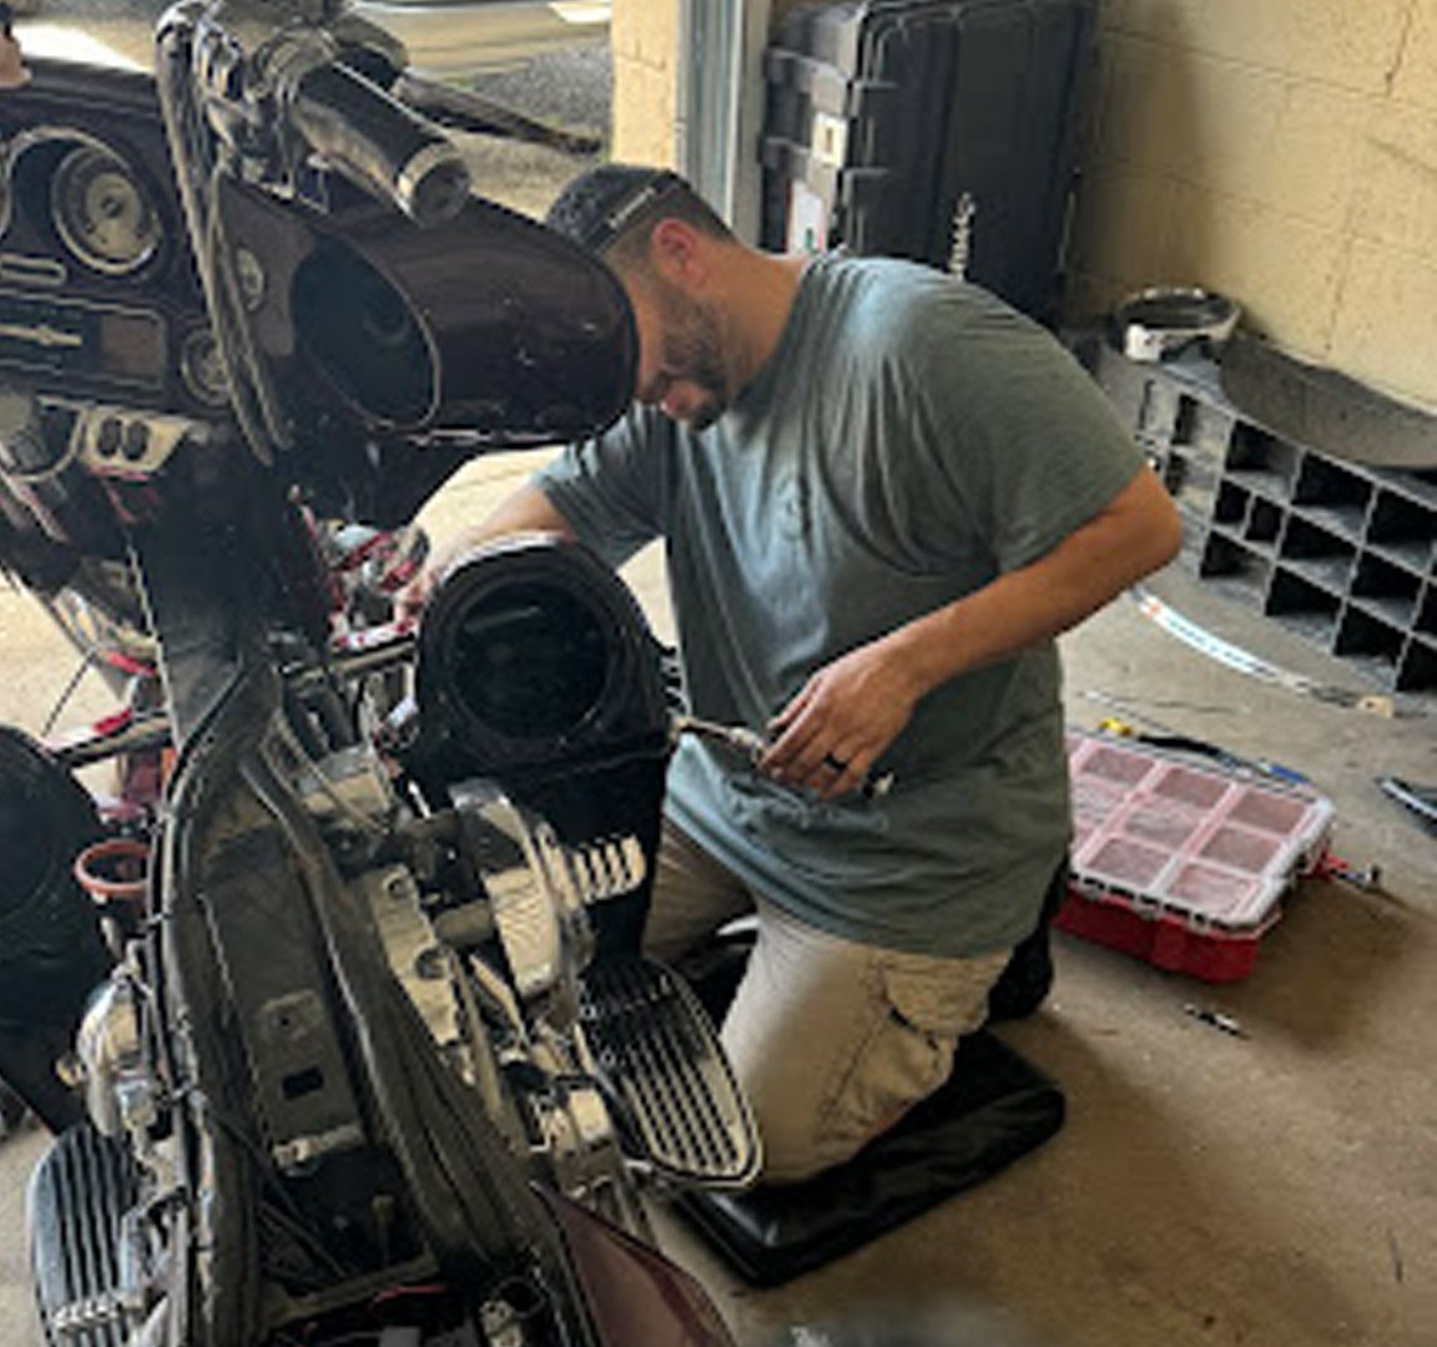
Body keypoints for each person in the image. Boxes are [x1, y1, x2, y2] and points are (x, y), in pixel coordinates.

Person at [401, 165, 1183, 1183]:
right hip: (724, 798)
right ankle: (790, 969)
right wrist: (454, 579)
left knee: (747, 1146)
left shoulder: (922, 346)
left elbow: (1140, 529)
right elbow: (561, 509)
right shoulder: (672, 387)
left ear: (682, 254)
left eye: (650, 376)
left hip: (909, 854)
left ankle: (978, 959)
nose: (658, 406)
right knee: (509, 969)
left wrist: (906, 664)